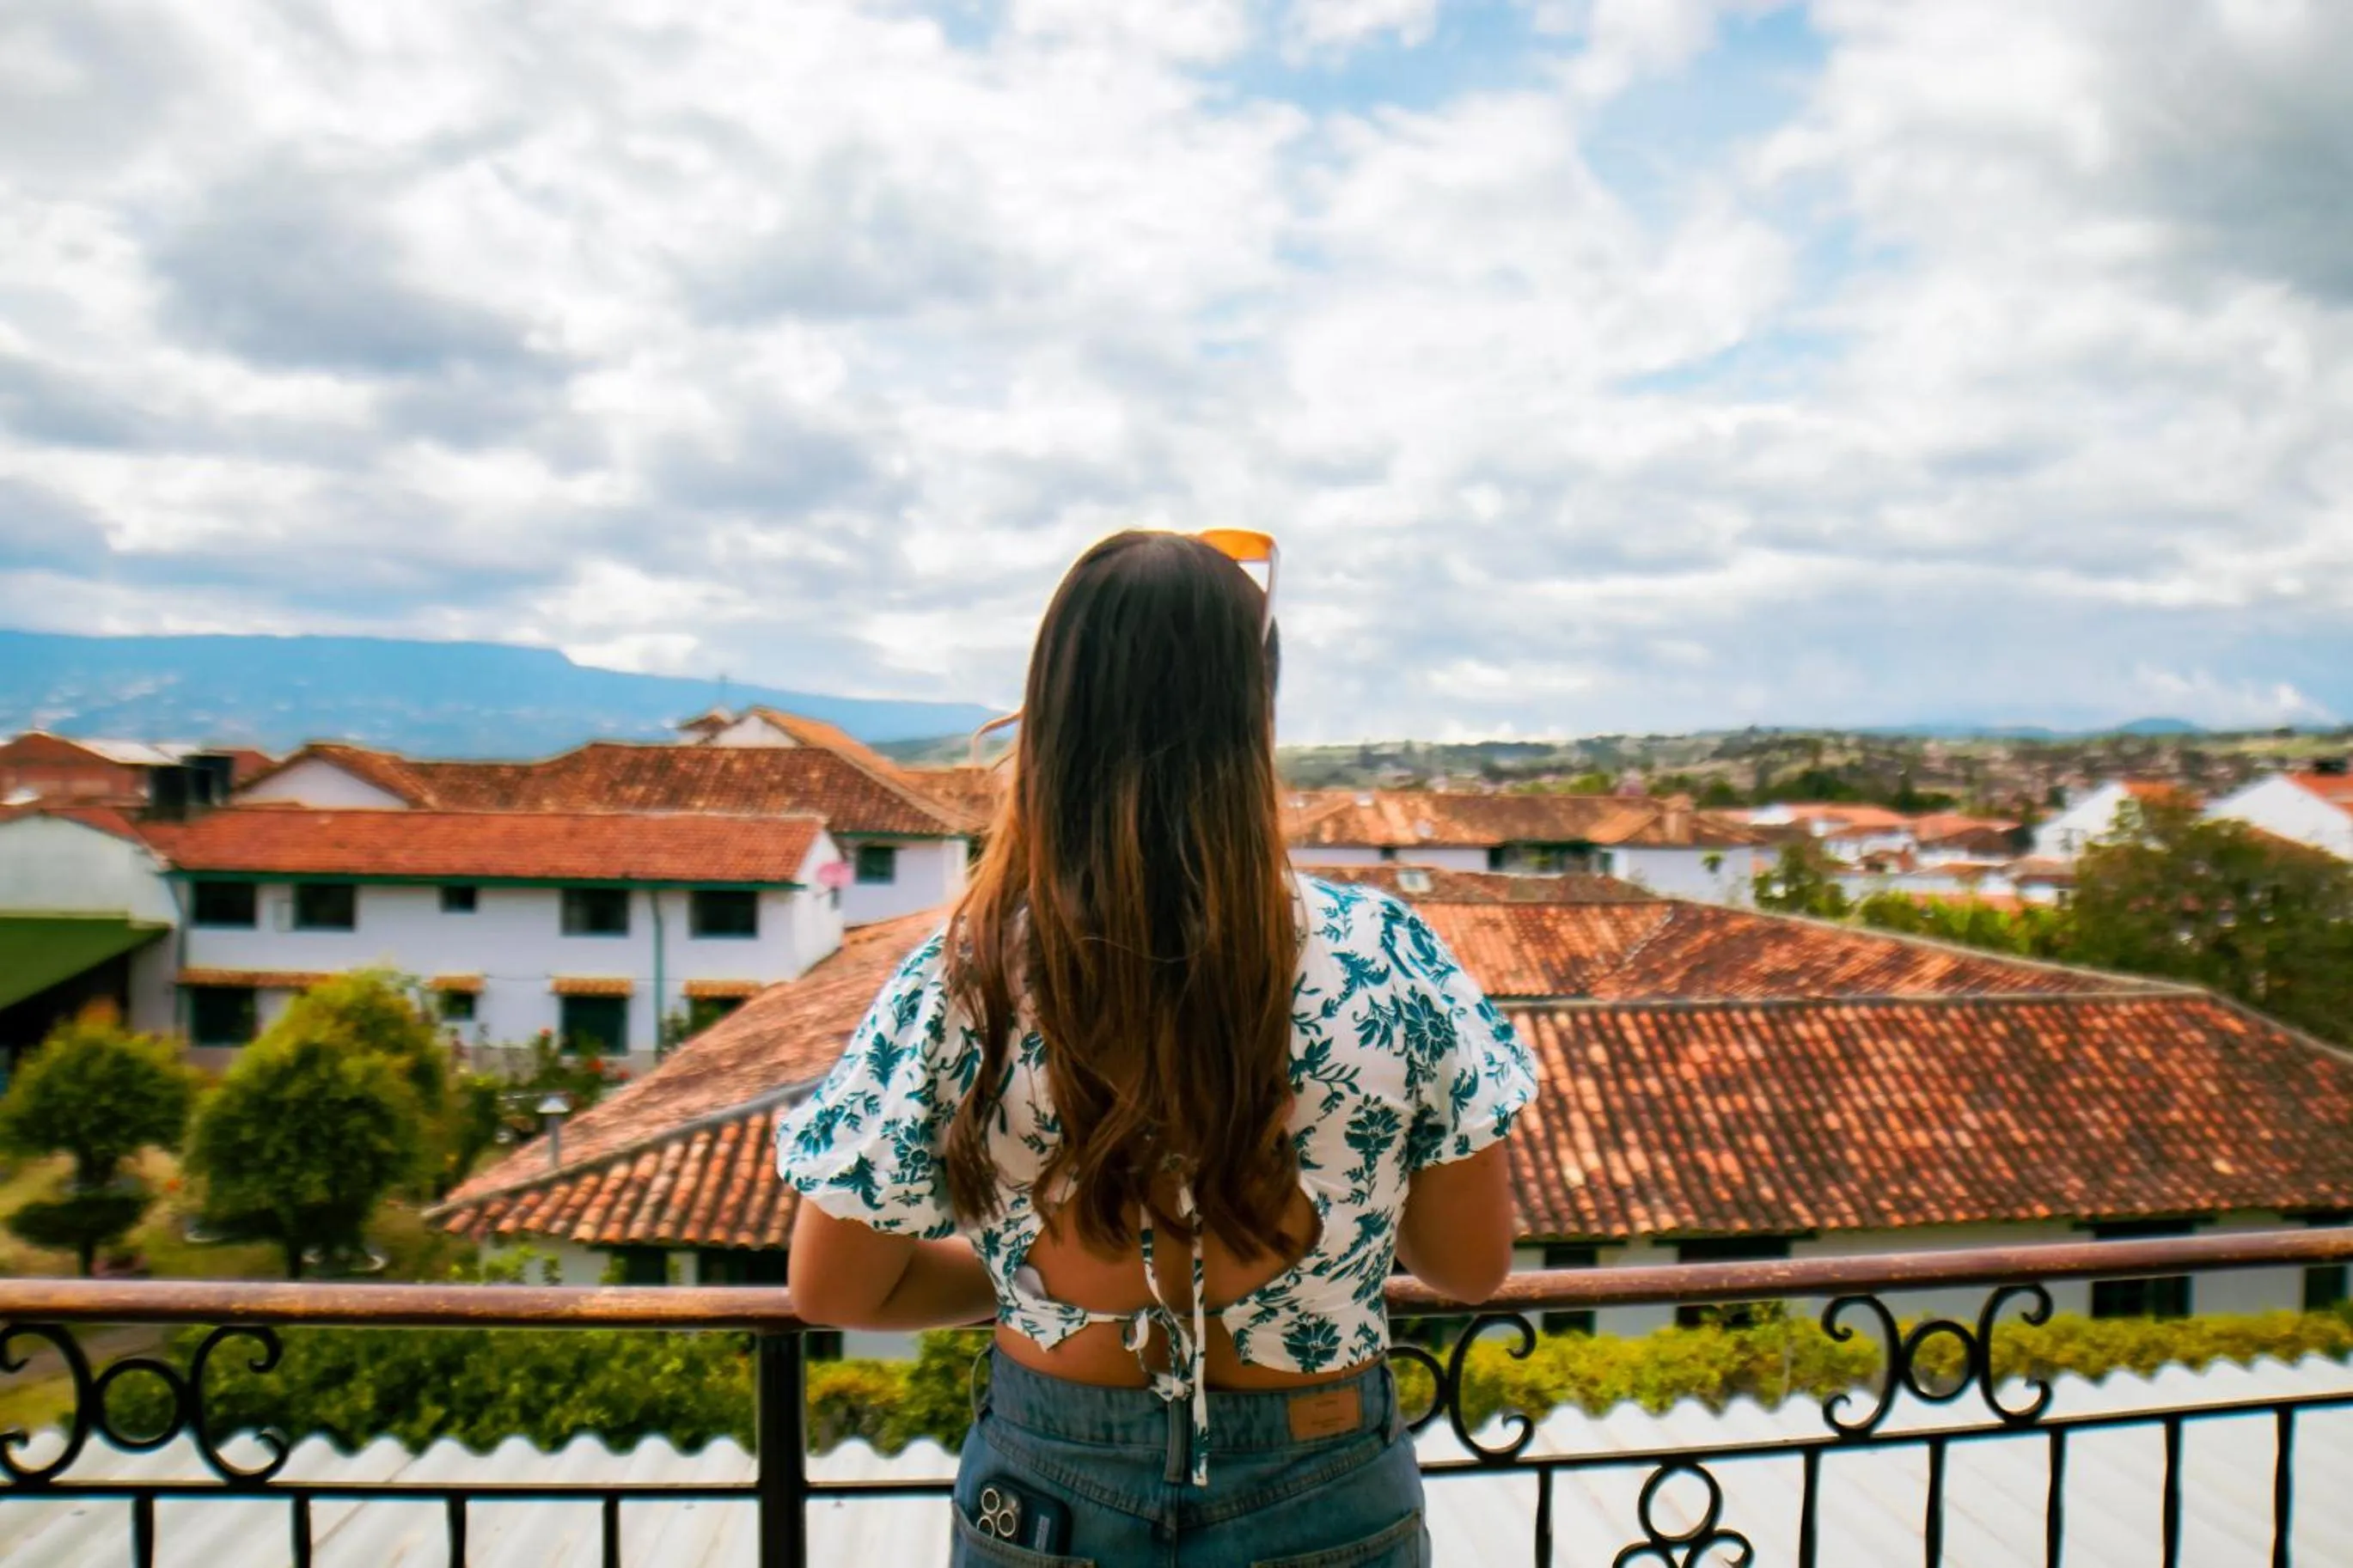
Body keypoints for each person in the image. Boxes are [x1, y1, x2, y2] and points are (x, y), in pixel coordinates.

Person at [779, 530, 1536, 1566]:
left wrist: (1024, 1274)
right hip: (1324, 1477)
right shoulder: (1388, 959)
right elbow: (1467, 1267)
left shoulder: (964, 978)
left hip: (1047, 1485)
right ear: (1253, 715)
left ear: (1051, 712)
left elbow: (835, 1290)